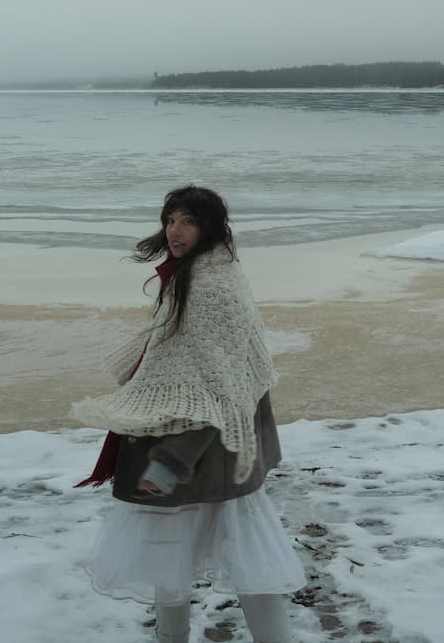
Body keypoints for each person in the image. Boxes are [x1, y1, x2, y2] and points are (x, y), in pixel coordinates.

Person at [71, 185, 305, 643]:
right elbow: (213, 371)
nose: (175, 232)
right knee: (203, 556)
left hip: (206, 447)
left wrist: (169, 462)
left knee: (223, 557)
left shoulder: (209, 286)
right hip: (218, 442)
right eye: (170, 220)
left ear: (210, 227)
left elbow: (214, 388)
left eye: (188, 222)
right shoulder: (212, 269)